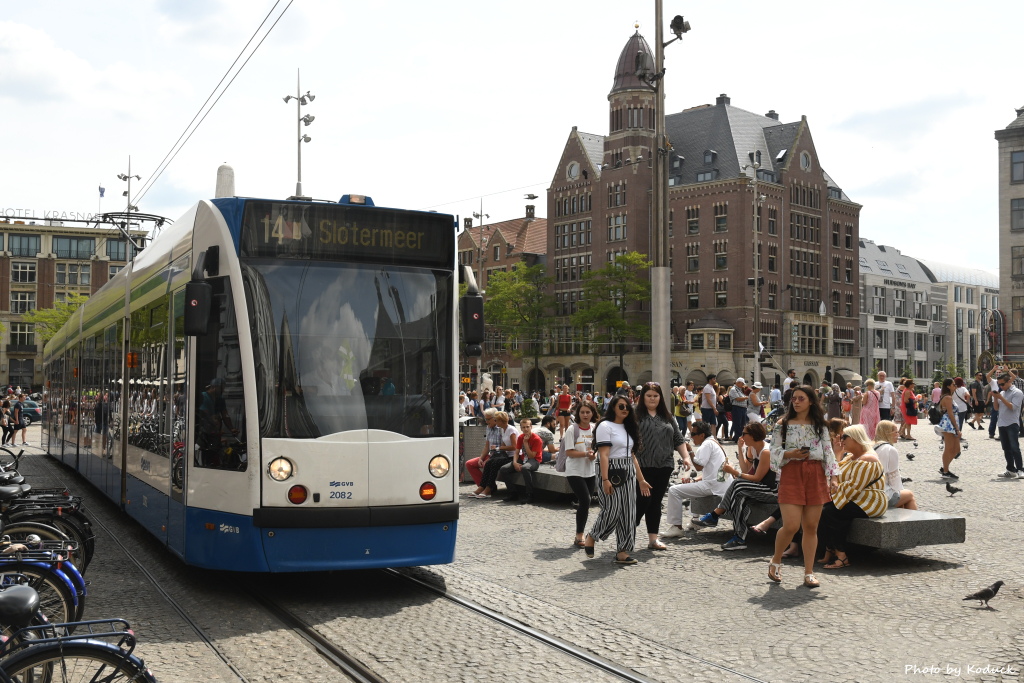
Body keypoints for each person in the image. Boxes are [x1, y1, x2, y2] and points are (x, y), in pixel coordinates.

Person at [766, 385, 838, 589]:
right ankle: (776, 561)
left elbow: (828, 451)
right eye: (794, 399)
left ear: (811, 401)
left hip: (815, 473)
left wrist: (833, 477)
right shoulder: (783, 424)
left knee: (811, 527)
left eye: (801, 398)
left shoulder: (820, 425)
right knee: (790, 525)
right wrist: (790, 454)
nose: (796, 402)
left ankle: (809, 573)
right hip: (792, 473)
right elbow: (772, 450)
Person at [582, 397, 651, 565]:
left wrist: (641, 479)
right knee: (612, 509)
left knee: (628, 511)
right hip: (610, 469)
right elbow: (604, 454)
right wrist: (605, 479)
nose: (625, 409)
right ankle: (592, 535)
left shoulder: (629, 427)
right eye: (621, 406)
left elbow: (632, 455)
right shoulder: (605, 426)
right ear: (613, 407)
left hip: (627, 469)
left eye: (628, 406)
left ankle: (623, 550)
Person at [692, 422, 777, 551]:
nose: (741, 436)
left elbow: (757, 478)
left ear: (753, 435)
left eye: (744, 434)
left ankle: (716, 514)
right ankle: (739, 538)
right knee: (739, 498)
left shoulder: (766, 451)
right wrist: (740, 449)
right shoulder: (754, 448)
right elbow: (746, 470)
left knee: (737, 484)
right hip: (760, 487)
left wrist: (734, 472)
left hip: (774, 490)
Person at [817, 425, 887, 570]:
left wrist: (831, 492)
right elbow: (835, 474)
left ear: (855, 438)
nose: (841, 440)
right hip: (852, 499)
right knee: (825, 510)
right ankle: (831, 549)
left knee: (829, 511)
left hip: (869, 502)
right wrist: (837, 453)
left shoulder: (868, 459)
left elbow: (854, 486)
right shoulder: (850, 457)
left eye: (844, 437)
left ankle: (841, 555)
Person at [635, 382, 690, 550]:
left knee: (656, 502)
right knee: (643, 501)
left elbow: (678, 440)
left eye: (655, 396)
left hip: (664, 465)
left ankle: (653, 539)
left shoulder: (668, 417)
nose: (652, 399)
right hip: (643, 466)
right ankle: (628, 528)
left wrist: (686, 457)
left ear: (660, 398)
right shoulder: (635, 416)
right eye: (649, 395)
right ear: (643, 397)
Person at [661, 420, 733, 539]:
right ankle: (695, 521)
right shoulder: (714, 442)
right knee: (694, 487)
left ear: (702, 435)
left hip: (714, 485)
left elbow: (699, 467)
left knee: (674, 490)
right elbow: (710, 470)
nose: (691, 437)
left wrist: (689, 450)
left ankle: (677, 527)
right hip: (721, 483)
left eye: (693, 434)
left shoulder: (706, 445)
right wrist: (695, 480)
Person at [564, 400, 599, 548]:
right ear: (578, 413)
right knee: (584, 500)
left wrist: (594, 455)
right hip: (574, 471)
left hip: (590, 471)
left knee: (586, 502)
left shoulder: (595, 428)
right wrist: (586, 454)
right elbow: (569, 452)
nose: (585, 415)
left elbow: (598, 449)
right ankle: (580, 535)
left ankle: (580, 533)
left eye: (588, 412)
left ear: (592, 413)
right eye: (582, 412)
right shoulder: (572, 430)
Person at [467, 410, 518, 498]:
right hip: (499, 455)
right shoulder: (502, 429)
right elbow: (489, 446)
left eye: (489, 419)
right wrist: (482, 458)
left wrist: (498, 449)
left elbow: (514, 447)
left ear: (499, 420)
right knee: (484, 463)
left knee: (492, 463)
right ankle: (482, 486)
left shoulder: (506, 429)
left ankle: (488, 488)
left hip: (509, 456)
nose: (486, 422)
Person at [873, 420, 917, 509]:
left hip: (870, 492)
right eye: (896, 432)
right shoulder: (890, 449)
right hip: (881, 494)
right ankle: (917, 523)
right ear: (887, 433)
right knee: (909, 495)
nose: (899, 434)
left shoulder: (873, 446)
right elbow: (895, 481)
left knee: (901, 498)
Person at [498, 418, 543, 503]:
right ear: (521, 428)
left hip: (534, 460)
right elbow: (517, 452)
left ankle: (530, 494)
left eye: (527, 427)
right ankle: (513, 493)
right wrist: (515, 462)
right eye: (523, 427)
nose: (526, 429)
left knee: (525, 468)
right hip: (522, 459)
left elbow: (532, 456)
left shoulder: (536, 439)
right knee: (504, 469)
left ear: (531, 427)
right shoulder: (520, 437)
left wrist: (525, 443)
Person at [991, 372, 1024, 478]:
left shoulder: (1017, 392)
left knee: (1015, 447)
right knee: (1006, 448)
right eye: (999, 384)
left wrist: (1000, 397)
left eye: (1002, 384)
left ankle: (1020, 469)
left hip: (1012, 423)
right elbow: (996, 408)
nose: (1001, 386)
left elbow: (1013, 407)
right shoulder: (1003, 393)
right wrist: (995, 397)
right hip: (1002, 423)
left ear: (1009, 381)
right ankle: (1010, 469)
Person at [937, 378, 963, 479]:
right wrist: (957, 428)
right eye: (953, 384)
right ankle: (946, 471)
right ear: (948, 386)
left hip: (952, 423)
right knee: (948, 448)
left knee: (956, 450)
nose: (955, 386)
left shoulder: (949, 397)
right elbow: (950, 414)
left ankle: (945, 468)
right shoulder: (947, 398)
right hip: (948, 424)